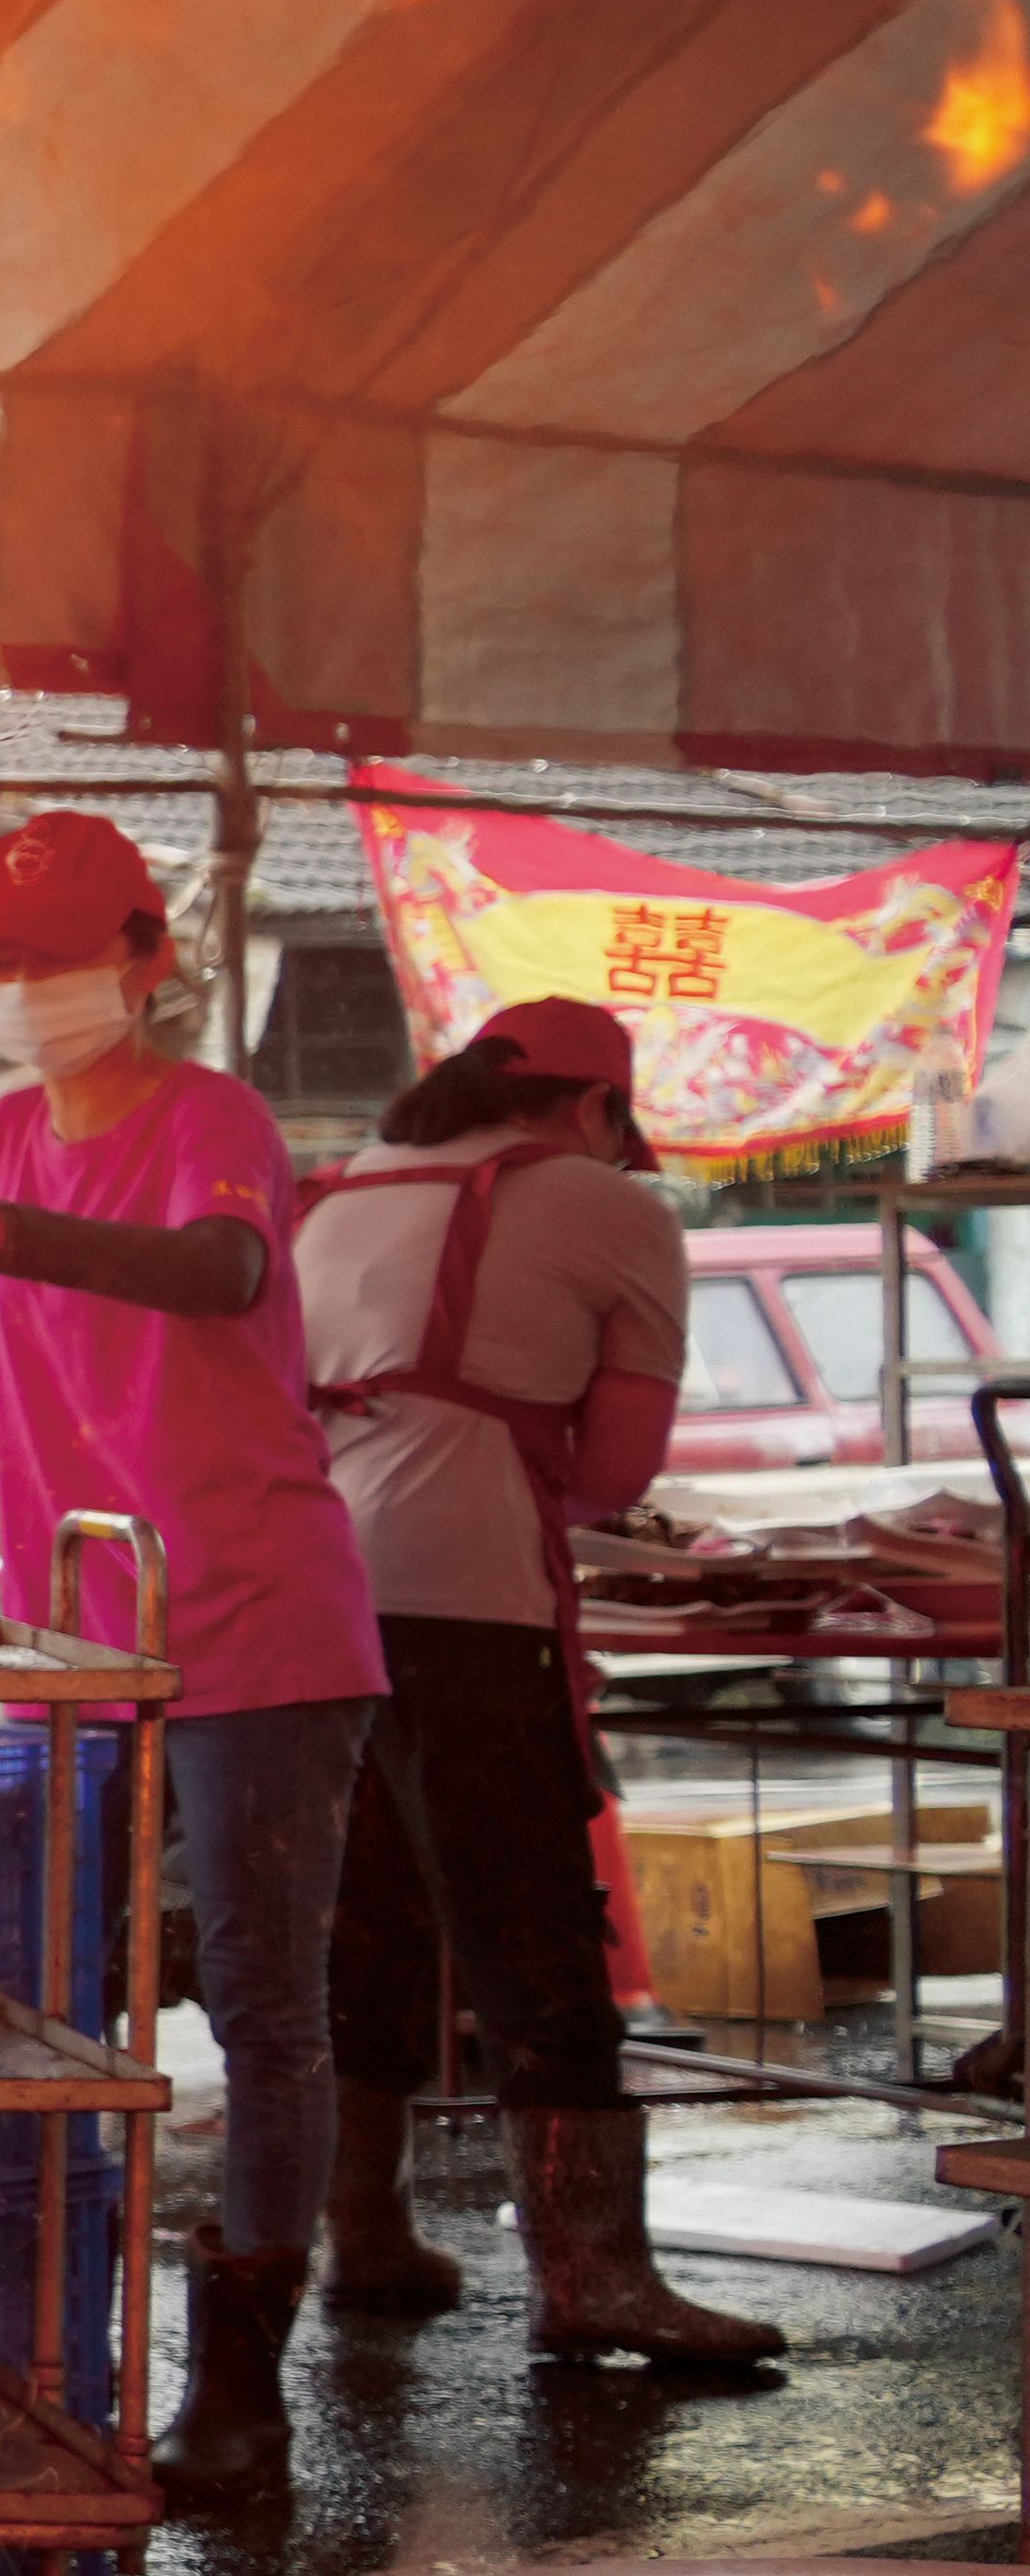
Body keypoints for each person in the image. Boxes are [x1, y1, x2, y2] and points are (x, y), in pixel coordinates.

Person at [0, 811, 384, 2496]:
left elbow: (217, 1274)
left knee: (263, 2007)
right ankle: (49, 2343)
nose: (20, 992)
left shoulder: (209, 1117)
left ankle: (239, 2393)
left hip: (254, 1616)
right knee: (50, 1997)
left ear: (145, 958)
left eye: (52, 960)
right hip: (70, 1637)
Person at [294, 996, 778, 2365]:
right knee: (533, 1935)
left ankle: (366, 2238)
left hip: (314, 1606)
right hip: (472, 1601)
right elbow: (615, 1479)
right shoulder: (609, 1206)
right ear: (595, 1110)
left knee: (364, 1923)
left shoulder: (338, 1191)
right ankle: (595, 2279)